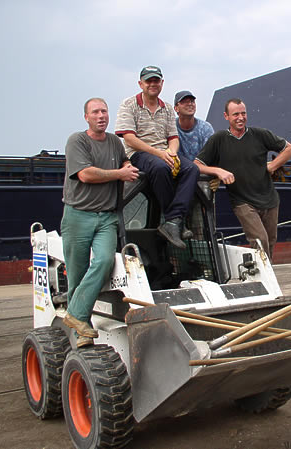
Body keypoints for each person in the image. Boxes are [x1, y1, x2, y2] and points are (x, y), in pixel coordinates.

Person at [61, 98, 139, 348]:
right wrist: (120, 173)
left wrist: (126, 164)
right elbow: (85, 174)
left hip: (106, 217)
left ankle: (74, 314)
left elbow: (123, 161)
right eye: (95, 112)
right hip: (78, 216)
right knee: (77, 275)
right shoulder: (78, 141)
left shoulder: (115, 142)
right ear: (86, 117)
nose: (101, 116)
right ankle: (82, 332)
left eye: (104, 111)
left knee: (105, 261)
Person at [194, 98, 291, 259]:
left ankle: (264, 277)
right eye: (235, 114)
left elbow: (289, 149)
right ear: (226, 116)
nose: (240, 117)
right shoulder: (219, 139)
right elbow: (197, 165)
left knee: (269, 242)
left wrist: (272, 166)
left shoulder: (260, 134)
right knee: (260, 241)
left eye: (243, 113)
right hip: (242, 201)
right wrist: (218, 171)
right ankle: (265, 281)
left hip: (269, 199)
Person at [115, 66, 199, 249]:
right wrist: (161, 154)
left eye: (156, 81)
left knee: (192, 169)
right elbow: (129, 138)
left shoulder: (167, 108)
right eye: (148, 81)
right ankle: (174, 220)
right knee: (160, 168)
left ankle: (173, 222)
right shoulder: (129, 105)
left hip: (163, 152)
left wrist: (172, 153)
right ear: (141, 84)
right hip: (139, 154)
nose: (153, 84)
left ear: (162, 83)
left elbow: (173, 138)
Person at [174, 90, 214, 161]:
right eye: (185, 102)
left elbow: (211, 156)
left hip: (202, 169)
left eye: (192, 101)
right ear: (176, 108)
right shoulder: (171, 127)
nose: (190, 104)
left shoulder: (205, 128)